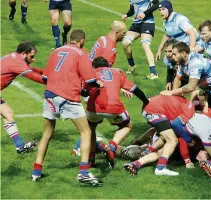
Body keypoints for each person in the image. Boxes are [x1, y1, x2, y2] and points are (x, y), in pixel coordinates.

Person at [31, 30, 104, 187]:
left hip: (50, 95)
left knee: (47, 133)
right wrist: (98, 84)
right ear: (81, 40)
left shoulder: (56, 51)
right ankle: (84, 172)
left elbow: (45, 77)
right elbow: (91, 79)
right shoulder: (81, 53)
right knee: (86, 132)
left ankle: (36, 171)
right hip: (67, 96)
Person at [84, 57, 149, 168]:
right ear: (108, 66)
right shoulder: (117, 72)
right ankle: (112, 146)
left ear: (94, 66)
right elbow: (134, 89)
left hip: (93, 108)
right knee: (127, 126)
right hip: (114, 108)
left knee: (90, 130)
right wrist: (145, 101)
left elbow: (84, 92)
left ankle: (91, 159)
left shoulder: (91, 73)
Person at [125, 95, 195, 176]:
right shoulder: (187, 116)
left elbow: (154, 130)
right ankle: (160, 167)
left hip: (151, 113)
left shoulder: (180, 106)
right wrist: (188, 160)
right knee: (169, 143)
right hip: (155, 116)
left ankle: (135, 164)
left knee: (164, 145)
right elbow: (181, 137)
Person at [1, 41, 46, 153]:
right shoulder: (18, 62)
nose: (33, 59)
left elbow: (33, 70)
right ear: (23, 54)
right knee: (8, 114)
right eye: (31, 56)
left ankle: (20, 146)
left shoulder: (15, 58)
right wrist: (55, 80)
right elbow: (34, 77)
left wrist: (45, 73)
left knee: (8, 114)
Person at [172, 90, 211, 180]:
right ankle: (209, 163)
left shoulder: (192, 109)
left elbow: (196, 93)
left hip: (192, 123)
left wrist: (187, 159)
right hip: (210, 128)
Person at [160, 42, 211, 113]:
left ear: (183, 53)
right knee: (200, 110)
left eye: (175, 54)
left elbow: (191, 86)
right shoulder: (182, 62)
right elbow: (178, 78)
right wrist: (174, 98)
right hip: (208, 89)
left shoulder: (195, 63)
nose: (172, 57)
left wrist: (171, 92)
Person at [122, 0, 159, 79]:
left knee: (145, 45)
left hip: (147, 23)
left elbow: (157, 4)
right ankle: (132, 65)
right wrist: (126, 15)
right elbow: (132, 10)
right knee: (125, 43)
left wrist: (144, 13)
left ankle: (154, 72)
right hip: (136, 24)